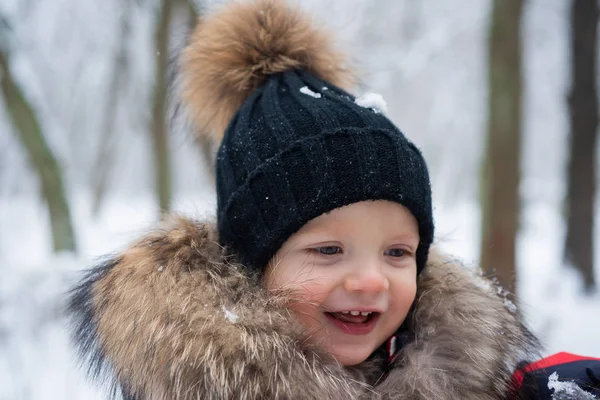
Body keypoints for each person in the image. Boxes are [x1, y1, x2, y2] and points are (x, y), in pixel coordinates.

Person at [68, 1, 599, 398]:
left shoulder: (465, 378)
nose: (370, 280)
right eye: (327, 251)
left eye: (397, 253)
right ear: (251, 265)